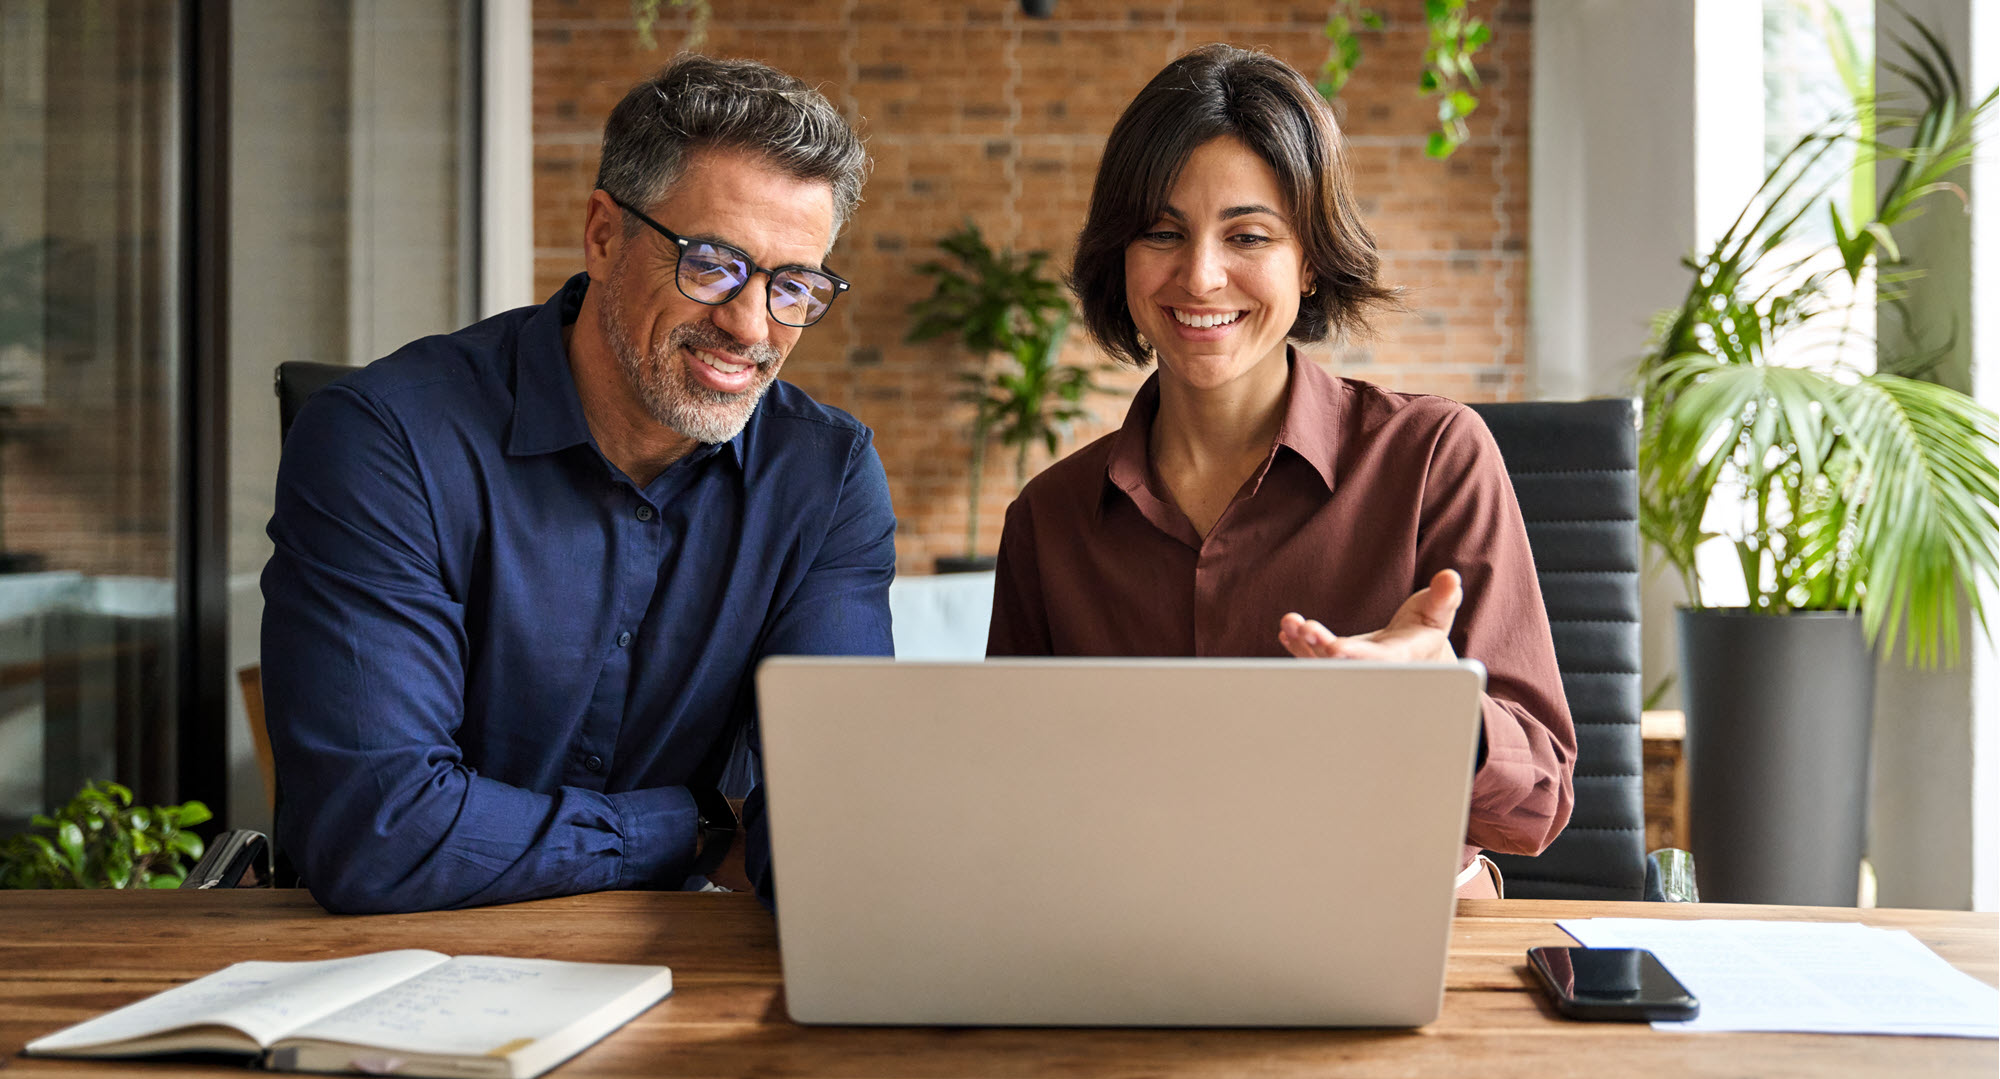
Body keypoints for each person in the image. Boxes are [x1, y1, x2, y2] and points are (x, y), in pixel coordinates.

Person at [260, 56, 892, 914]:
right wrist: (693, 827)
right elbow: (379, 832)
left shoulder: (824, 476)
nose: (751, 326)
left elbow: (835, 824)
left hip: (674, 982)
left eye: (794, 287)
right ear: (603, 235)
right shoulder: (386, 441)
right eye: (712, 264)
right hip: (378, 974)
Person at [985, 44, 1575, 898]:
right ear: (1121, 254)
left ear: (1311, 259)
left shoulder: (1436, 458)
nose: (1200, 274)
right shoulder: (1050, 519)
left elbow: (1539, 804)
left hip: (1392, 926)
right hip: (1130, 936)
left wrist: (1441, 711)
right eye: (1162, 231)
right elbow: (1009, 803)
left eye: (1248, 235)